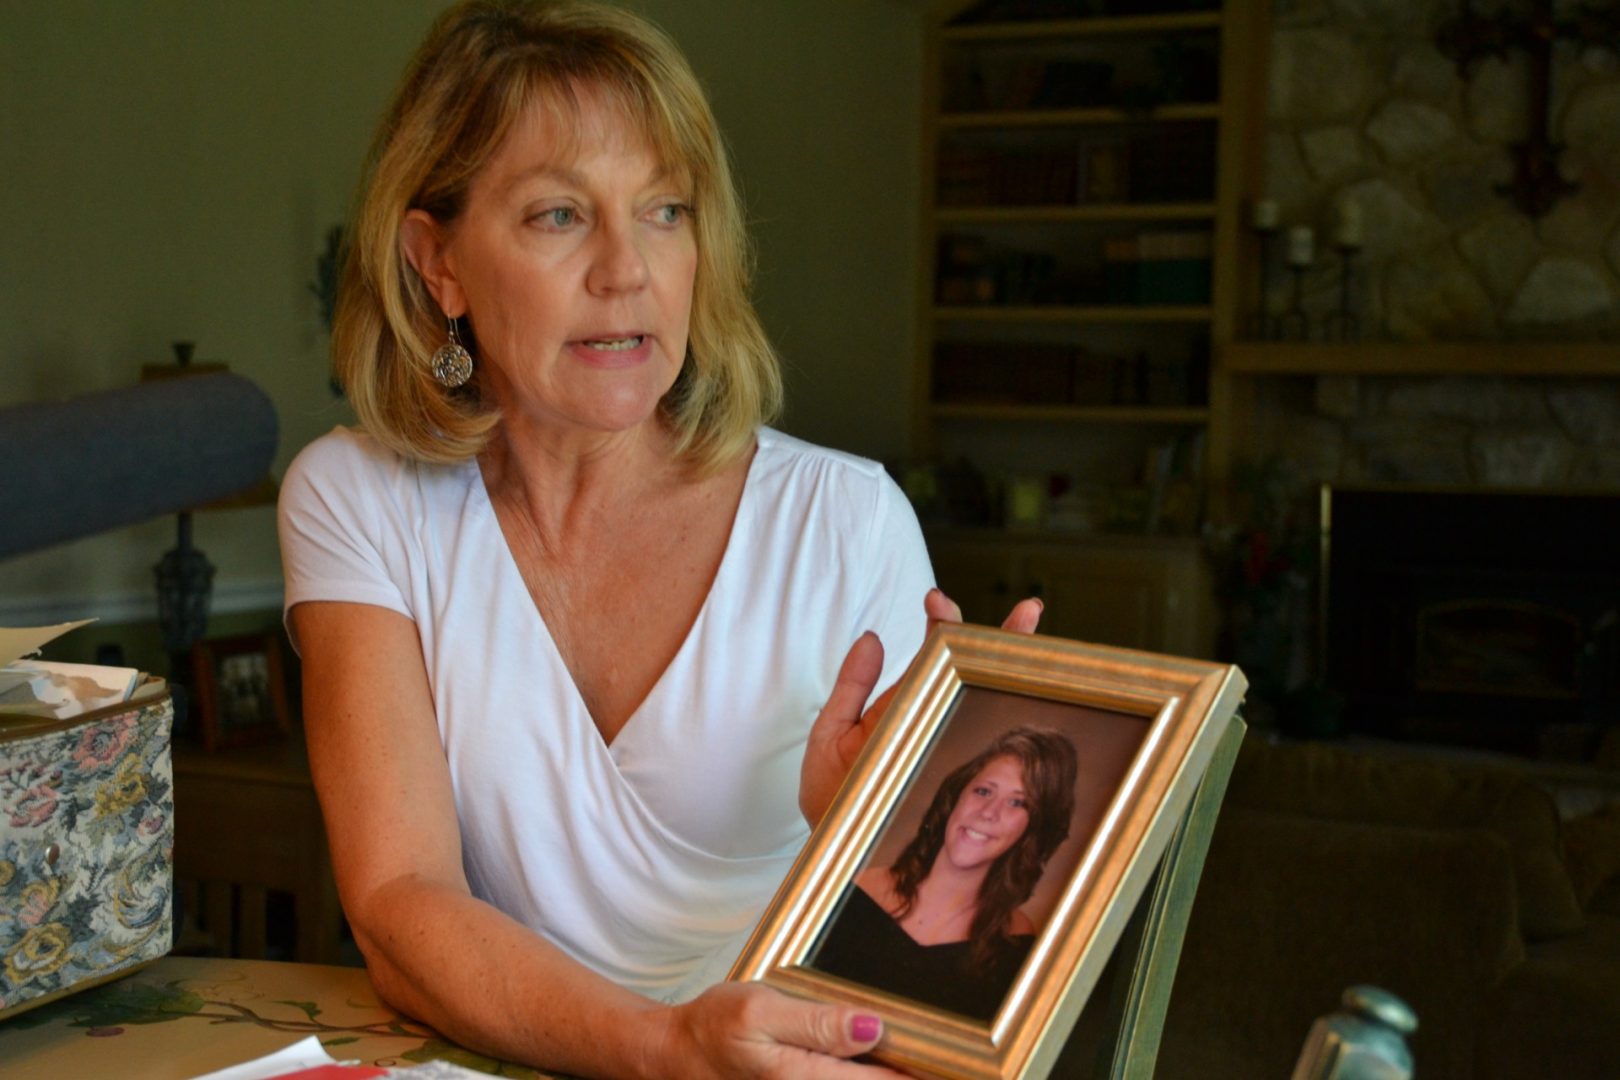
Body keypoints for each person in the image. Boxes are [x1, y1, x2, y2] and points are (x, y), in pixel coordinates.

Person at [276, 2, 1040, 1075]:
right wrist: (665, 1047)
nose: (626, 270)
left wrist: (857, 833)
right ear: (436, 260)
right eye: (557, 216)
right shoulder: (359, 498)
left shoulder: (844, 519)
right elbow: (402, 901)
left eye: (665, 211)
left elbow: (922, 955)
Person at [813, 728, 1079, 1021]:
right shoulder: (850, 891)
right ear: (956, 797)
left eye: (1017, 802)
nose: (989, 812)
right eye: (983, 791)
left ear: (1033, 828)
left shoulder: (1016, 944)